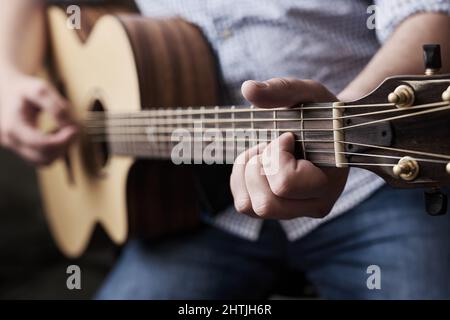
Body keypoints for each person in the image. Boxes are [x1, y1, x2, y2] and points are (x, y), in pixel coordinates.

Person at [1, 0, 450, 299]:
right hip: (190, 209)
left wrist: (340, 120)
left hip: (373, 175)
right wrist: (8, 75)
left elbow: (430, 17)